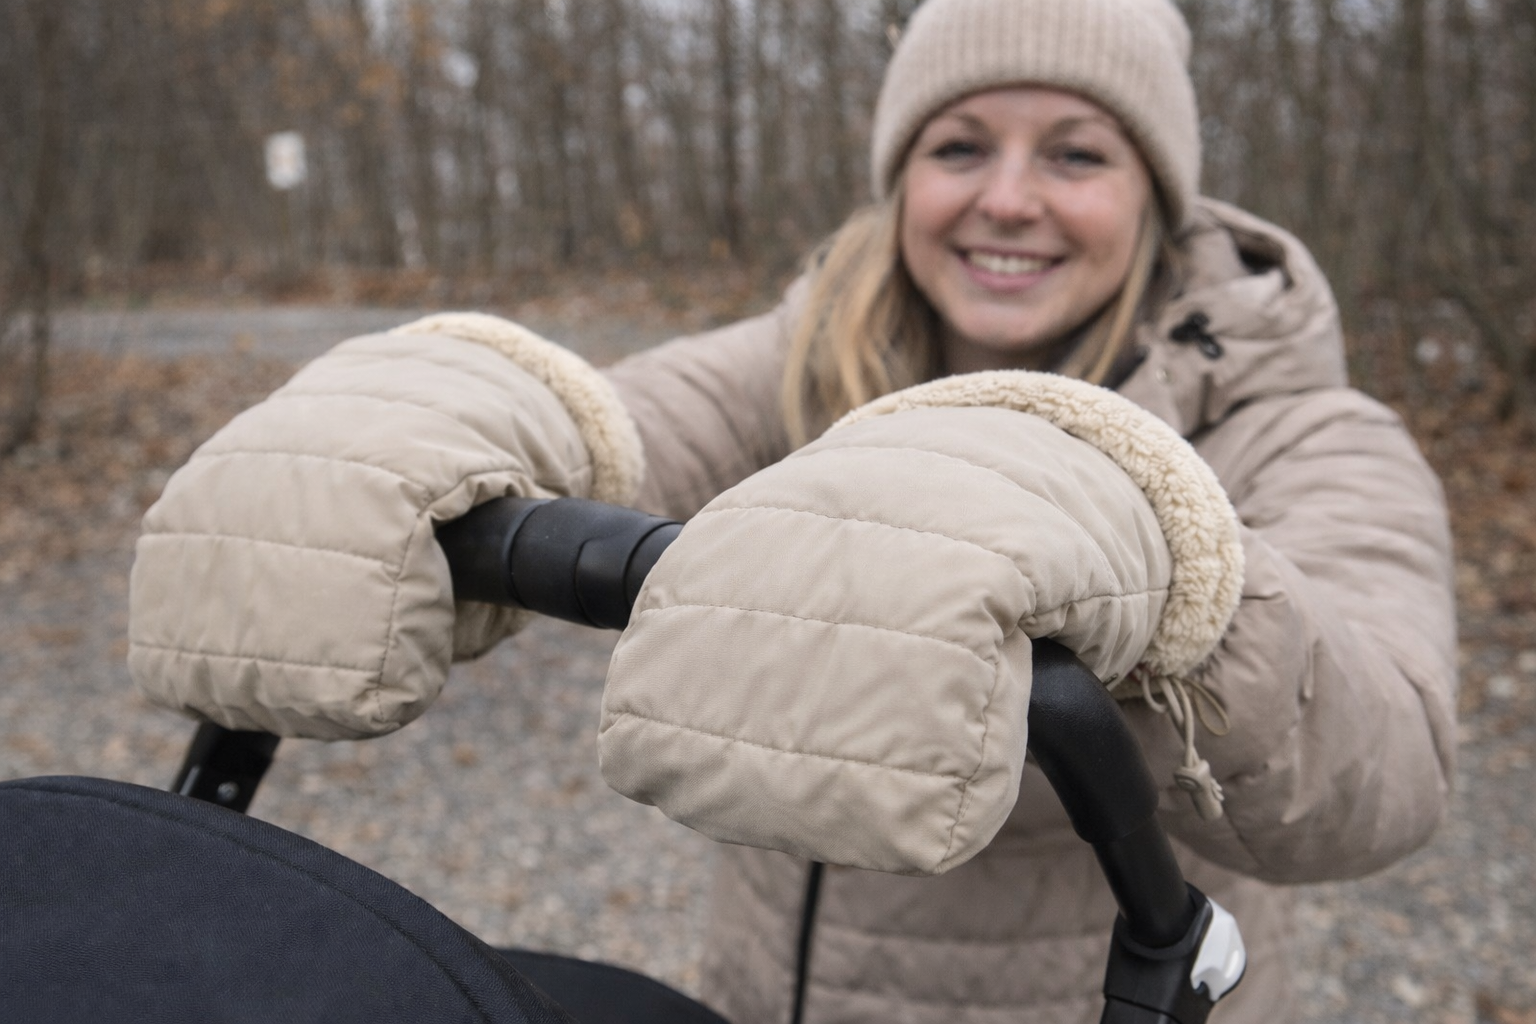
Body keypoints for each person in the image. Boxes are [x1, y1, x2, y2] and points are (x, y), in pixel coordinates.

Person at [127, 0, 1458, 1020]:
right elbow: (620, 424)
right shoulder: (811, 361)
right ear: (901, 179)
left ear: (1157, 196)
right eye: (959, 147)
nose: (1007, 198)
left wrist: (1171, 567)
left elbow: (1388, 772)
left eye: (1076, 154)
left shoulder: (1299, 426)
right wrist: (435, 417)